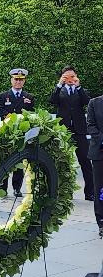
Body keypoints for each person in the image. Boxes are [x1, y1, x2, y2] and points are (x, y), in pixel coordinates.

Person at [51, 65, 94, 201]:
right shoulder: (60, 90)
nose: (70, 79)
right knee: (62, 162)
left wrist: (78, 87)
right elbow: (52, 101)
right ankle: (62, 192)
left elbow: (88, 102)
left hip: (79, 131)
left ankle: (90, 192)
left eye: (72, 76)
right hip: (63, 131)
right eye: (67, 77)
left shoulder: (81, 91)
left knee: (86, 162)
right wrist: (59, 85)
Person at [0, 68, 35, 198]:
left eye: (21, 80)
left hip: (21, 133)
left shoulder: (29, 97)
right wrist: (9, 117)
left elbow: (31, 113)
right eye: (16, 79)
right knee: (5, 160)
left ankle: (17, 188)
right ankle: (3, 187)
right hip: (7, 131)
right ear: (11, 80)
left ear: (24, 81)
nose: (18, 82)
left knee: (19, 161)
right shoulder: (3, 96)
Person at [87, 92, 103, 237]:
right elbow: (91, 125)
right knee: (100, 189)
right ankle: (101, 221)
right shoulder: (94, 102)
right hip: (99, 153)